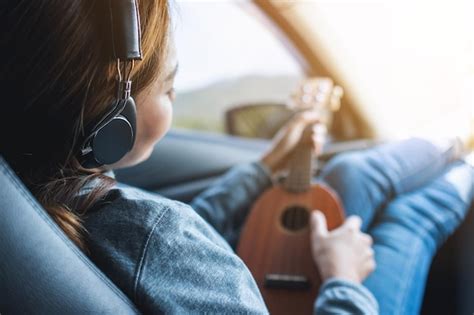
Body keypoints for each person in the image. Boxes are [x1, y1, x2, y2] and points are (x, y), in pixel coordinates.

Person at [1, 1, 472, 314]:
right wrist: (344, 280)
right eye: (168, 87)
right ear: (114, 114)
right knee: (411, 216)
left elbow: (164, 251)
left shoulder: (38, 198)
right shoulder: (159, 236)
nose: (174, 94)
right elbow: (165, 248)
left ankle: (452, 148)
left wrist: (264, 168)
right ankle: (459, 157)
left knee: (354, 171)